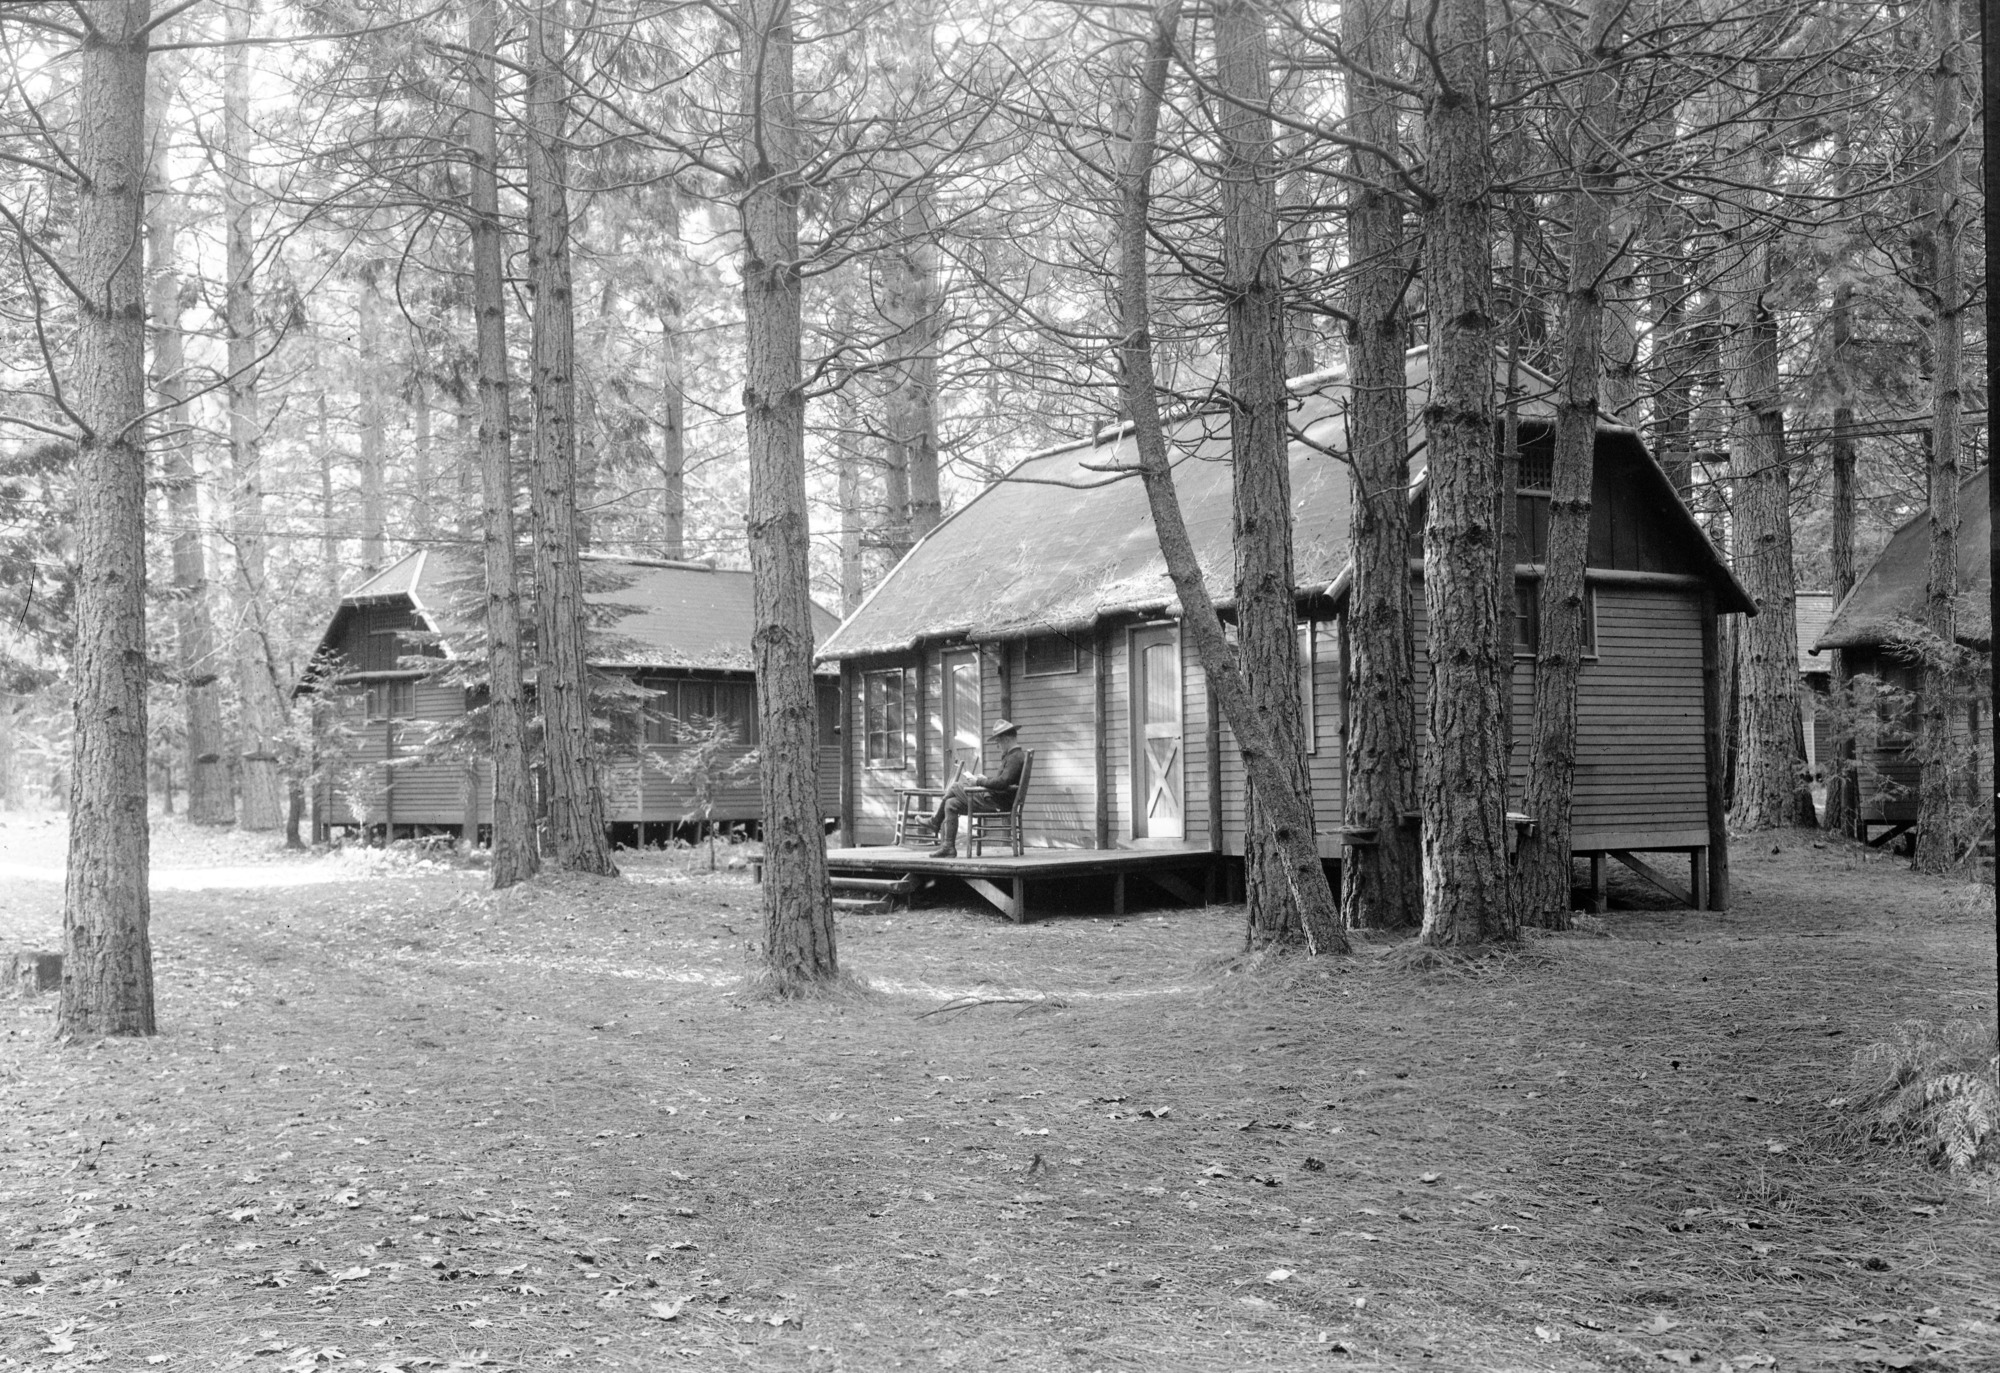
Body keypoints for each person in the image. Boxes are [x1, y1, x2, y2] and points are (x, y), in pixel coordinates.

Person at [928, 720, 1025, 858]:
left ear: (1006, 739)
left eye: (998, 741)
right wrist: (986, 779)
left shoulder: (1014, 758)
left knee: (955, 787)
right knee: (951, 803)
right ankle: (948, 847)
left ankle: (935, 822)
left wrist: (978, 781)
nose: (997, 745)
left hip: (997, 803)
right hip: (997, 799)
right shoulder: (1014, 756)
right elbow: (1004, 781)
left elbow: (1002, 783)